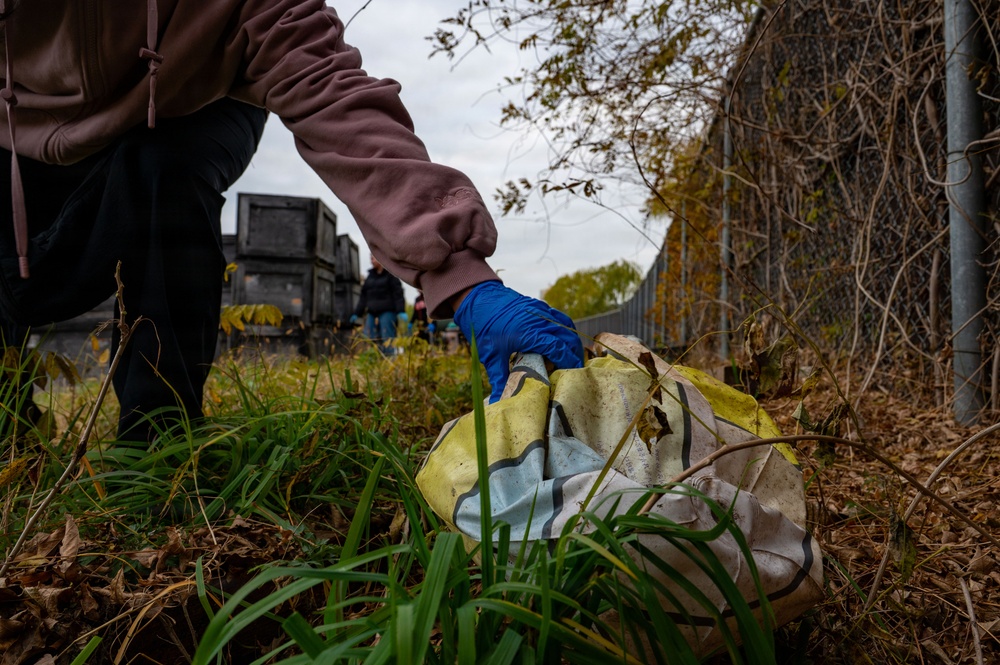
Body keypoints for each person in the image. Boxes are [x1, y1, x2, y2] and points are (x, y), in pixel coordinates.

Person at [0, 0, 583, 442]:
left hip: (190, 101)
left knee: (161, 170)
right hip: (16, 124)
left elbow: (330, 90)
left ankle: (157, 440)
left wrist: (462, 276)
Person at [350, 255, 406, 354]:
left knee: (386, 337)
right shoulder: (370, 277)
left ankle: (389, 360)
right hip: (372, 312)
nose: (371, 260)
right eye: (370, 258)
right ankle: (372, 360)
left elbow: (398, 293)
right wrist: (357, 313)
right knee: (368, 336)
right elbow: (363, 297)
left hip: (387, 311)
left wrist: (401, 310)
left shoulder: (390, 274)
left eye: (373, 258)